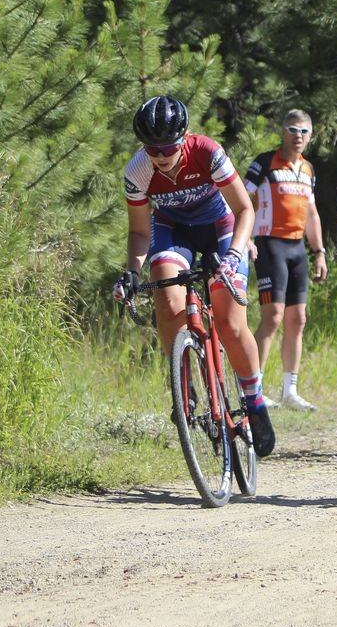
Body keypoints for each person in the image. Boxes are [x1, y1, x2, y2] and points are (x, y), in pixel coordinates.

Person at [113, 95, 276, 457]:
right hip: (173, 228)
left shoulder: (207, 151)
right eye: (152, 149)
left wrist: (235, 254)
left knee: (230, 321)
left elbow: (243, 208)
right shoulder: (138, 170)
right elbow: (139, 232)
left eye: (168, 147)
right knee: (167, 294)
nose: (160, 156)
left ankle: (255, 400)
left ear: (183, 139)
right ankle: (184, 387)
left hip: (220, 226)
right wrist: (130, 272)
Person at [244, 110, 328, 411]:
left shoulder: (308, 169)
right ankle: (254, 388)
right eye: (292, 129)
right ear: (283, 131)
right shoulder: (265, 162)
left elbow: (312, 214)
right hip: (269, 244)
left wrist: (319, 252)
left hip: (297, 249)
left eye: (304, 131)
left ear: (310, 136)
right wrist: (246, 239)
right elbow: (241, 200)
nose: (298, 136)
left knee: (298, 319)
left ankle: (289, 391)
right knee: (274, 316)